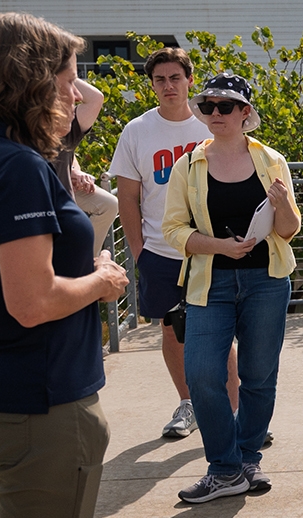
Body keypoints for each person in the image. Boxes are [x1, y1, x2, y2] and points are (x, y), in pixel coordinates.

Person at [0, 13, 128, 517]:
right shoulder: (16, 165)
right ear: (32, 82)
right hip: (38, 404)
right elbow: (32, 302)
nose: (77, 96)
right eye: (67, 81)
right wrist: (102, 280)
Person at [160, 73, 302, 503]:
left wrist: (281, 207)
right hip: (210, 282)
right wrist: (219, 246)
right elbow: (172, 230)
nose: (214, 113)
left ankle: (243, 460)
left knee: (259, 376)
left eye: (225, 106)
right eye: (207, 106)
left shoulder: (272, 161)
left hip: (267, 281)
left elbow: (291, 230)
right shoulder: (188, 165)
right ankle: (224, 466)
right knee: (203, 374)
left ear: (245, 113)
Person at [106, 47, 238, 440]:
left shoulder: (209, 125)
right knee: (171, 329)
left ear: (189, 81)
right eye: (160, 79)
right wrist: (138, 251)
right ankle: (189, 403)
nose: (168, 86)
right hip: (161, 253)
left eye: (175, 78)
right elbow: (127, 197)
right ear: (152, 85)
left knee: (219, 330)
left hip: (210, 249)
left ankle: (235, 409)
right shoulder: (137, 131)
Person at [59, 76, 117, 255]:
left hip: (64, 195)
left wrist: (74, 171)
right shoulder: (21, 132)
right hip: (46, 209)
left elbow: (95, 98)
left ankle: (87, 260)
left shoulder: (65, 128)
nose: (76, 97)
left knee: (108, 204)